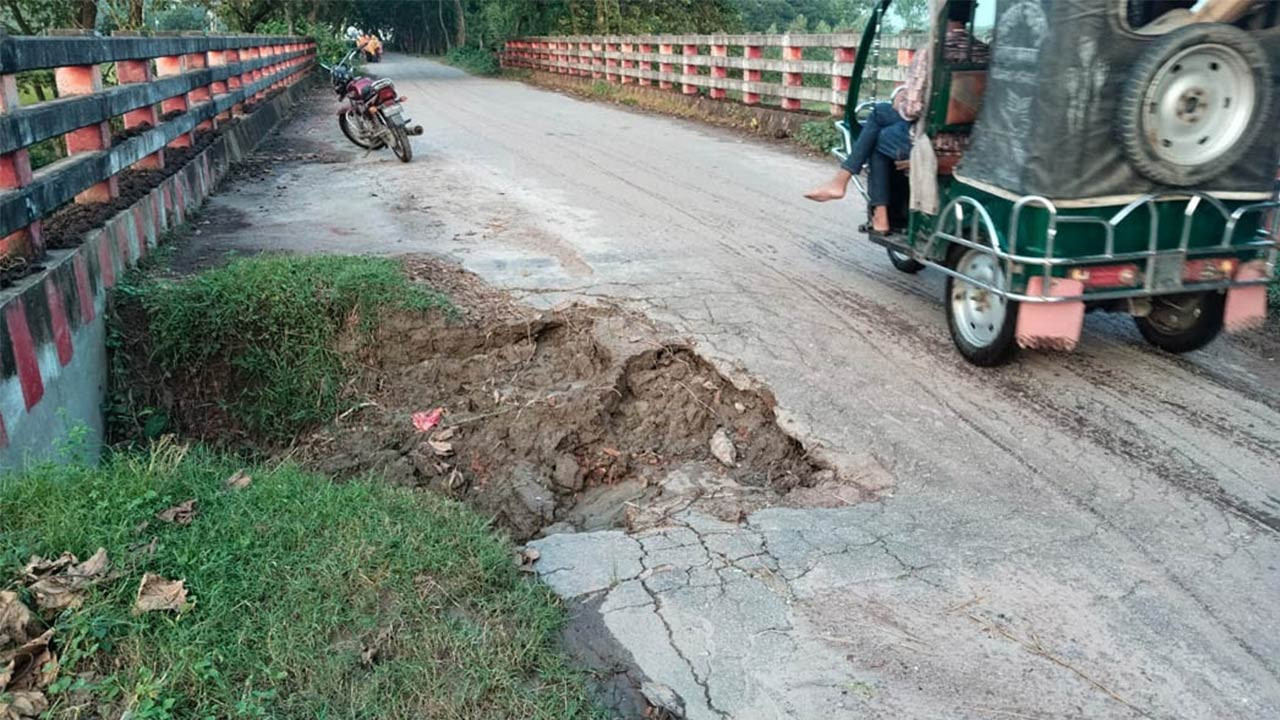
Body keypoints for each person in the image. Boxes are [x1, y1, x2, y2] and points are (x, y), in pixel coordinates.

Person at [805, 1, 988, 235]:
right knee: (879, 114)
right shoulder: (985, 52)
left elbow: (912, 109)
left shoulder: (931, 53)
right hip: (970, 140)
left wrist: (900, 98)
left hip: (932, 142)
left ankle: (873, 209)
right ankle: (845, 184)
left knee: (876, 136)